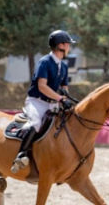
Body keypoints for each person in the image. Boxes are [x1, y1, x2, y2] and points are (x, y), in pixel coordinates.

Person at [11, 30, 75, 173]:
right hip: (37, 101)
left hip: (53, 103)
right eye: (68, 44)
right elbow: (42, 86)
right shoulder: (45, 62)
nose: (69, 47)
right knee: (36, 123)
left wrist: (66, 99)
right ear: (61, 45)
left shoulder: (63, 66)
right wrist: (59, 98)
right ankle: (21, 155)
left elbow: (64, 88)